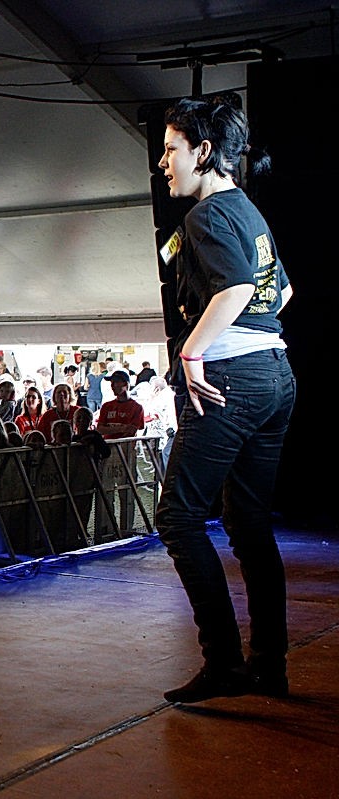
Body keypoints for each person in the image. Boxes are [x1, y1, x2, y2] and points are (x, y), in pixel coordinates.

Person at [153, 96, 295, 704]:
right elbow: (282, 294)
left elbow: (237, 286)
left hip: (232, 380)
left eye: (171, 149)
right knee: (248, 522)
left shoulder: (207, 217)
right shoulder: (249, 213)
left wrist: (192, 355)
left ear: (203, 153)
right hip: (275, 376)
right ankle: (268, 663)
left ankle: (225, 665)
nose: (163, 162)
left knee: (178, 517)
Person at [96, 371, 145, 439]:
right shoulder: (107, 406)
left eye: (115, 382)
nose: (112, 386)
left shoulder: (137, 407)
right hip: (107, 446)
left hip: (125, 447)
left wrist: (109, 429)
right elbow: (100, 429)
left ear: (125, 384)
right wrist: (123, 428)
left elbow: (132, 430)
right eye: (111, 383)